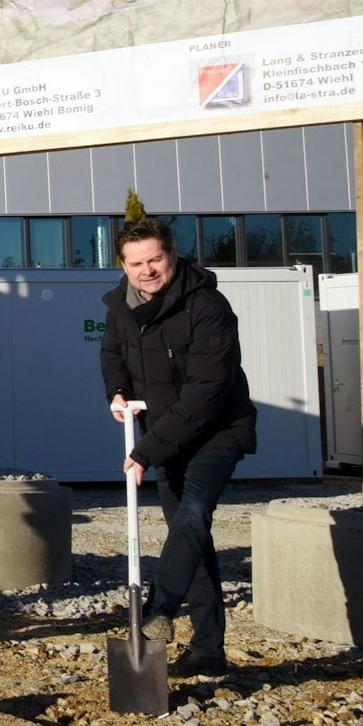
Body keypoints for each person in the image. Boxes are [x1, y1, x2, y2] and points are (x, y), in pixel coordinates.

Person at [100, 216, 256, 678]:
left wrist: (148, 449)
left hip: (216, 432)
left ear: (172, 255)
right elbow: (111, 353)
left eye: (155, 259)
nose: (146, 270)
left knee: (192, 517)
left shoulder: (208, 306)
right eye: (136, 263)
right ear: (124, 265)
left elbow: (207, 392)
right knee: (192, 541)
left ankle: (157, 612)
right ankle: (208, 650)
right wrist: (118, 391)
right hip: (165, 434)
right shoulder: (121, 306)